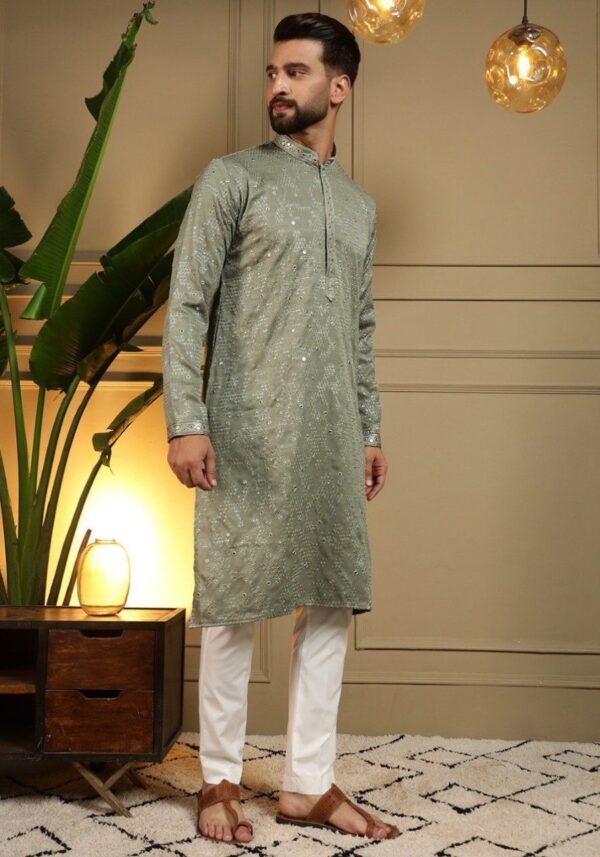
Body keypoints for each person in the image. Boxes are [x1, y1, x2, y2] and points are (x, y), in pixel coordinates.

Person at [162, 10, 397, 845]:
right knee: (234, 605)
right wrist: (186, 420)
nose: (277, 85)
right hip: (243, 426)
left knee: (330, 602)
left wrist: (370, 429)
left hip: (332, 434)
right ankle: (219, 780)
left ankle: (308, 783)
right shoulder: (233, 178)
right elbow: (187, 302)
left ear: (340, 87)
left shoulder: (361, 207)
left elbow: (360, 326)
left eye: (295, 72)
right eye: (272, 71)